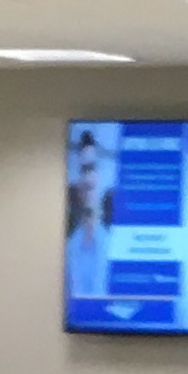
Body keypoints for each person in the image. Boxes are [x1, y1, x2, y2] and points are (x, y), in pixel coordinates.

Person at [63, 130, 114, 304]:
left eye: (91, 169)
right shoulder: (69, 240)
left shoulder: (113, 234)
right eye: (82, 171)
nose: (87, 179)